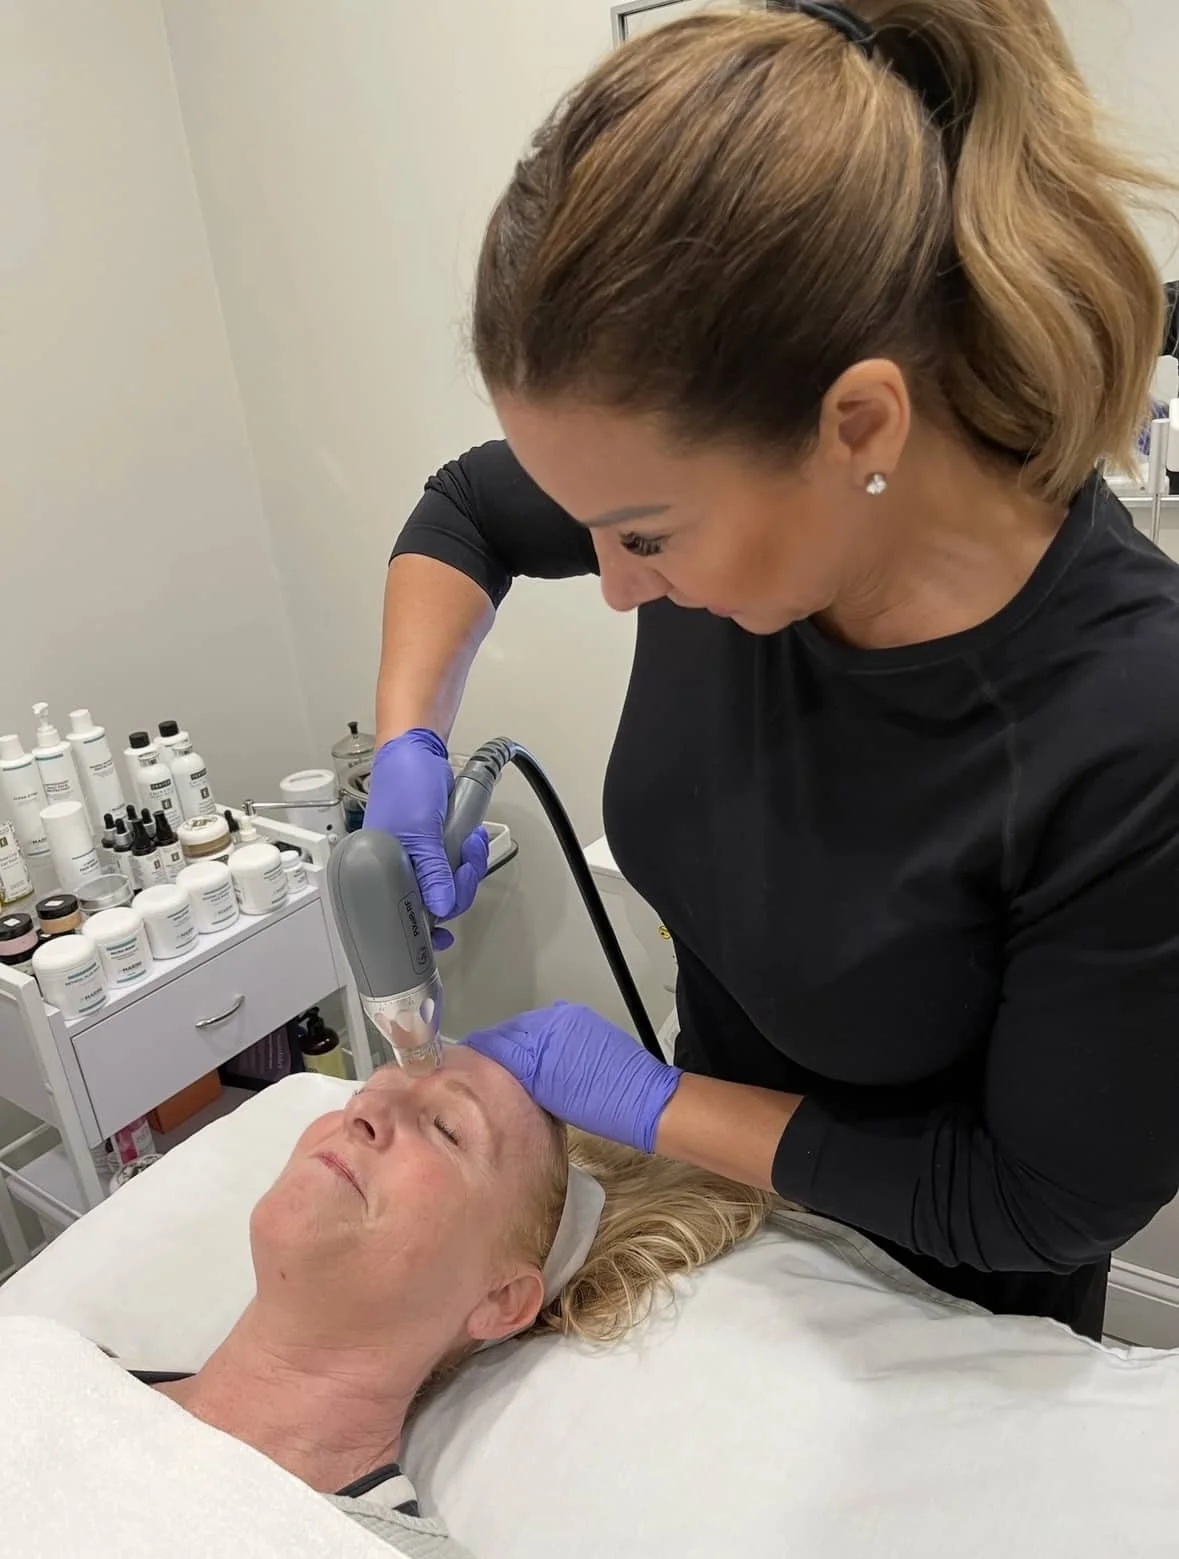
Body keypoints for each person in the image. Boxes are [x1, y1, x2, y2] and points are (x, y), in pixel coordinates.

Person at [366, 0, 1179, 1342]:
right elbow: (463, 512)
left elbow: (1037, 1202)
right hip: (721, 1242)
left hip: (945, 1317)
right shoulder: (731, 505)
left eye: (644, 535)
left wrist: (638, 1099)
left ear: (855, 422)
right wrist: (408, 746)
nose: (617, 583)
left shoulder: (1126, 723)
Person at [126, 1046, 772, 1554]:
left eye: (445, 1128)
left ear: (499, 1298)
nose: (363, 1114)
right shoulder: (39, 1361)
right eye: (369, 1090)